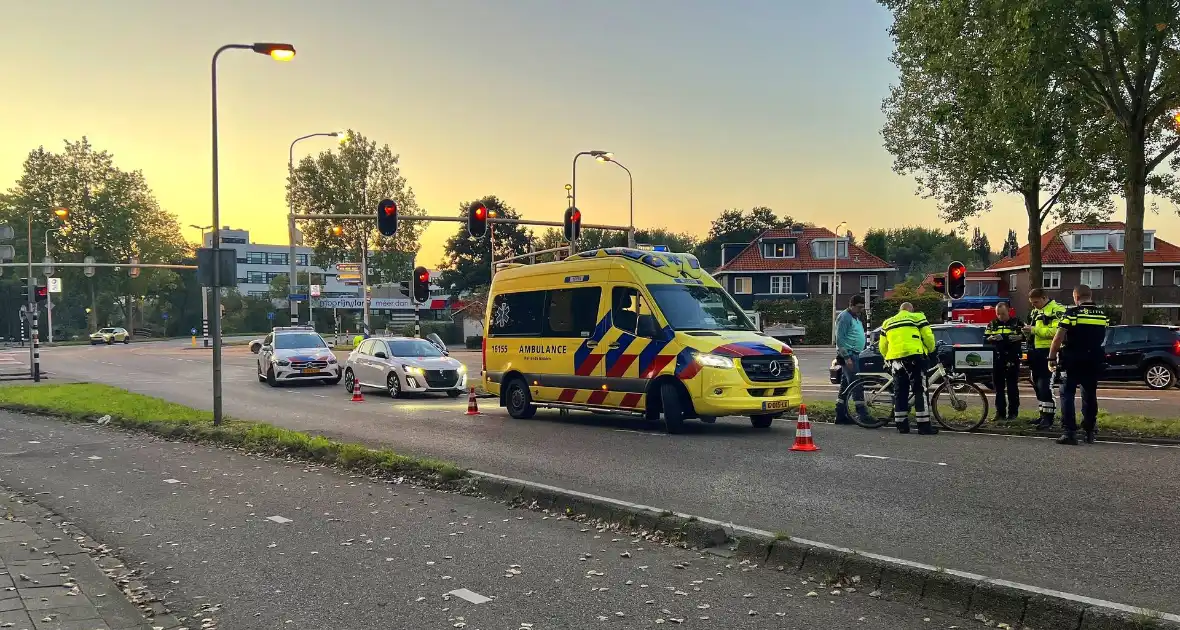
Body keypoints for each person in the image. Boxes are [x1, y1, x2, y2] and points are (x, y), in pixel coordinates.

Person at [1048, 285, 1108, 445]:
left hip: (1072, 359)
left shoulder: (1072, 314)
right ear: (1090, 295)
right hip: (1093, 360)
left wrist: (1051, 358)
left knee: (1067, 394)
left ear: (1076, 297)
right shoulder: (1102, 315)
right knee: (1089, 394)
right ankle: (1089, 431)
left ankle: (1069, 432)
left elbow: (1058, 337)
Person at [878, 302, 938, 434]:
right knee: (919, 390)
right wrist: (932, 350)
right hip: (914, 356)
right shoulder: (917, 317)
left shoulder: (887, 323)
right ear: (911, 309)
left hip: (895, 360)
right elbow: (928, 337)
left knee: (900, 391)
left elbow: (882, 346)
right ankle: (924, 426)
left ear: (900, 310)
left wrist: (888, 357)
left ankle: (901, 425)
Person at [1023, 288, 1066, 430]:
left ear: (1044, 297)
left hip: (1050, 352)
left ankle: (1049, 418)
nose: (1034, 305)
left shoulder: (1056, 310)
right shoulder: (1036, 311)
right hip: (1036, 351)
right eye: (1032, 303)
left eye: (1036, 302)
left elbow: (1057, 331)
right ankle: (1042, 415)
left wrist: (1034, 330)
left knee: (1045, 385)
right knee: (1037, 384)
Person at [984, 302, 1024, 420]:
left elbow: (1028, 335)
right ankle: (1000, 413)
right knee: (998, 388)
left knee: (1012, 387)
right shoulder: (992, 324)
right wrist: (990, 338)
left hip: (1012, 358)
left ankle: (1013, 413)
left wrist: (1020, 337)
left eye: (1003, 314)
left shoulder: (1017, 323)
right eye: (998, 314)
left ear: (1008, 311)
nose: (1000, 316)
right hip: (997, 358)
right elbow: (984, 339)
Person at [835, 295, 870, 425]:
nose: (861, 310)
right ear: (852, 305)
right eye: (859, 307)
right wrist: (846, 357)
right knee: (857, 385)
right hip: (849, 355)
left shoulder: (855, 317)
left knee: (846, 386)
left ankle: (840, 414)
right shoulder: (844, 317)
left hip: (854, 354)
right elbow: (840, 339)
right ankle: (863, 415)